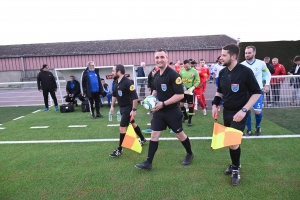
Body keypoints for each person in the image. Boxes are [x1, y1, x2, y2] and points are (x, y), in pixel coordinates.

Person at [135, 48, 194, 170]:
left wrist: (163, 103)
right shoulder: (156, 75)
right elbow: (156, 90)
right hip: (159, 112)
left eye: (162, 57)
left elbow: (180, 95)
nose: (159, 60)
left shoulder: (173, 75)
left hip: (172, 112)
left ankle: (190, 153)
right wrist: (150, 98)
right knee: (154, 135)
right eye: (157, 57)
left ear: (167, 58)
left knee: (180, 135)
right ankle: (148, 162)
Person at [211, 44, 261, 186]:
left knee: (233, 142)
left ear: (233, 56)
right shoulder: (222, 73)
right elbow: (220, 91)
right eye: (221, 55)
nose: (221, 57)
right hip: (227, 111)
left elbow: (257, 92)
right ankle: (235, 164)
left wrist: (244, 110)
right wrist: (215, 104)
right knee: (231, 141)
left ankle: (235, 169)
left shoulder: (245, 72)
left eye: (224, 55)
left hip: (240, 112)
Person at [109, 64, 147, 157]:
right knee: (132, 122)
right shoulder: (115, 81)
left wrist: (134, 109)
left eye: (113, 71)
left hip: (128, 108)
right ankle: (142, 139)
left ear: (119, 71)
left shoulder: (128, 82)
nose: (112, 72)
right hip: (122, 107)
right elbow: (114, 95)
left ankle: (119, 149)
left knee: (122, 127)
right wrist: (112, 106)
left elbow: (135, 97)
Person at [241, 46, 271, 136]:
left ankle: (258, 126)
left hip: (257, 91)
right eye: (246, 53)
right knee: (247, 110)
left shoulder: (261, 63)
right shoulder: (242, 65)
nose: (247, 55)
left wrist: (267, 84)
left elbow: (268, 74)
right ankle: (249, 129)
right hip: (246, 92)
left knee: (257, 111)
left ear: (254, 53)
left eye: (249, 53)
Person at [179, 59, 200, 126]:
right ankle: (185, 116)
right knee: (181, 105)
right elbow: (179, 79)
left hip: (190, 90)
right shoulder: (182, 70)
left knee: (190, 105)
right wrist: (180, 84)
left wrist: (193, 87)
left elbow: (198, 81)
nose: (186, 68)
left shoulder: (194, 71)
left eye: (187, 67)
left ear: (189, 64)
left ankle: (190, 120)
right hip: (183, 90)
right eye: (185, 67)